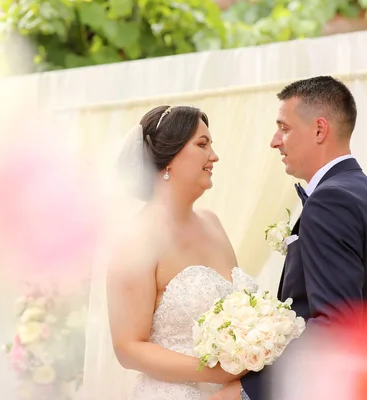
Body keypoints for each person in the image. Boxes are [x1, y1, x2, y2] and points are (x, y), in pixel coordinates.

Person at [209, 76, 367, 400]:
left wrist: (248, 389)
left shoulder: (331, 201)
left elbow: (337, 329)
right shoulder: (363, 191)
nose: (274, 141)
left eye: (284, 127)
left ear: (319, 130)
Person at [89, 105, 259, 399]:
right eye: (202, 144)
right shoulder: (136, 239)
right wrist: (215, 372)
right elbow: (129, 347)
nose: (214, 156)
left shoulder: (212, 223)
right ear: (169, 159)